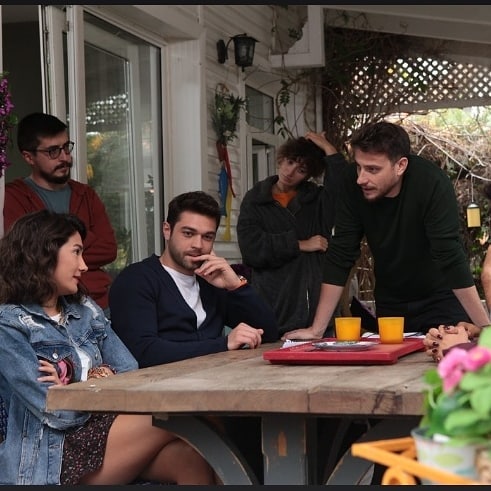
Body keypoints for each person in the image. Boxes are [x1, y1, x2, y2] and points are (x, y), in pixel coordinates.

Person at [0, 210, 216, 485]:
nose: (84, 266)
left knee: (190, 458)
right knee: (184, 412)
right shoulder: (9, 325)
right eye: (76, 252)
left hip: (106, 430)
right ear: (43, 254)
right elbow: (56, 412)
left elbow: (128, 372)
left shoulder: (85, 309)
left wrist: (74, 386)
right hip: (53, 455)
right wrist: (100, 379)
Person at [284, 121, 491, 342]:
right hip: (391, 304)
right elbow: (341, 253)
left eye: (373, 169)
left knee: (447, 359)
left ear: (400, 166)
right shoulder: (352, 184)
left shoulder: (432, 183)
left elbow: (449, 256)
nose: (361, 178)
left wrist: (486, 331)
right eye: (359, 167)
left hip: (441, 299)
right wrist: (317, 329)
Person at [109, 190, 278, 367]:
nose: (198, 245)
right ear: (167, 230)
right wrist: (223, 344)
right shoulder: (136, 280)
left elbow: (268, 332)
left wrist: (236, 286)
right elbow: (143, 352)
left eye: (207, 237)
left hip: (217, 378)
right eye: (188, 234)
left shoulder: (211, 281)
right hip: (159, 383)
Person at [3, 112, 117, 316]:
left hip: (98, 303)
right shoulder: (13, 196)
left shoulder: (86, 194)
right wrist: (84, 238)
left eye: (66, 147)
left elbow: (108, 249)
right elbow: (24, 256)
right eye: (53, 151)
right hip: (43, 310)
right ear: (29, 157)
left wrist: (56, 248)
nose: (65, 157)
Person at [236, 132, 345, 336]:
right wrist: (299, 244)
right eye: (290, 162)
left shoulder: (317, 200)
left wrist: (329, 150)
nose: (291, 171)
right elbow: (251, 249)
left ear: (308, 175)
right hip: (274, 306)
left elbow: (343, 189)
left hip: (316, 309)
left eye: (301, 170)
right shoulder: (255, 200)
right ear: (281, 159)